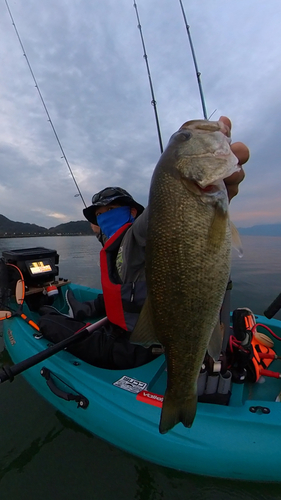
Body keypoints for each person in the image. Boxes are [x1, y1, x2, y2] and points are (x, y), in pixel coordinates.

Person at [39, 116, 250, 369]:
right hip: (125, 330)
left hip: (134, 348)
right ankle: (80, 309)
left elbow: (165, 211)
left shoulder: (140, 234)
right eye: (100, 213)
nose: (105, 215)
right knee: (98, 303)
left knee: (49, 322)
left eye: (113, 208)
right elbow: (104, 239)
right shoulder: (111, 242)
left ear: (133, 213)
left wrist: (192, 186)